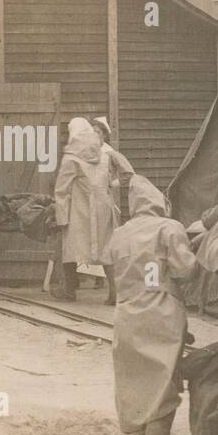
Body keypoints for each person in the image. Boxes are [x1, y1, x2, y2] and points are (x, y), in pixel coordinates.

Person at [106, 175, 199, 435]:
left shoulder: (119, 235)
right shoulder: (169, 228)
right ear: (159, 202)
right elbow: (186, 271)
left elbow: (116, 271)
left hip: (128, 316)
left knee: (137, 392)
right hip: (161, 314)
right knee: (164, 393)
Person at [52, 118, 117, 302]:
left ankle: (69, 290)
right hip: (103, 206)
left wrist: (62, 218)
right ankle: (115, 292)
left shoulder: (71, 158)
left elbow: (61, 190)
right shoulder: (103, 155)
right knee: (106, 248)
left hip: (81, 209)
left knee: (69, 246)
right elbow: (108, 180)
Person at [93, 115, 136, 305]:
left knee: (107, 249)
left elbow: (128, 173)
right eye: (91, 132)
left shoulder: (109, 153)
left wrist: (113, 183)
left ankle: (115, 292)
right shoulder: (88, 152)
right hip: (88, 206)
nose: (93, 136)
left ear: (104, 135)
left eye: (97, 132)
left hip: (103, 205)